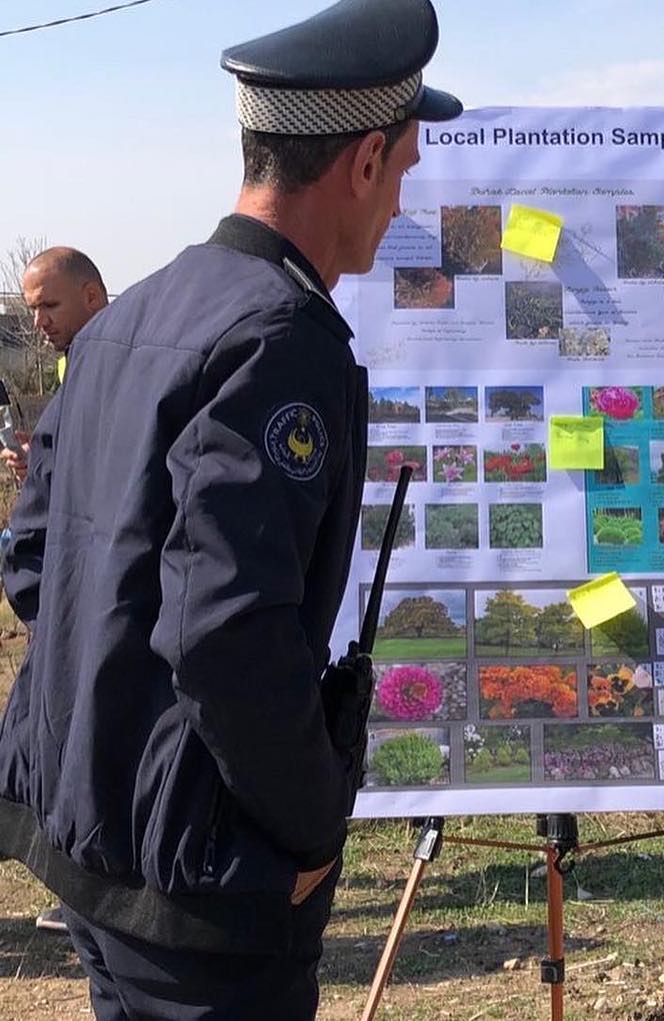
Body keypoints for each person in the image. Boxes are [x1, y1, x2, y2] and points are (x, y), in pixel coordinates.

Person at [0, 0, 461, 1017]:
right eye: (407, 175)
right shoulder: (281, 337)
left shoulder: (136, 316)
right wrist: (304, 831)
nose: (399, 210)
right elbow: (225, 633)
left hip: (90, 833)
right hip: (202, 878)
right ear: (366, 161)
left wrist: (116, 704)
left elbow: (34, 557)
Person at [2, 247, 109, 484]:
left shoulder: (127, 364)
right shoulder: (71, 363)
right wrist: (40, 456)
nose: (39, 321)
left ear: (92, 296)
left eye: (49, 305)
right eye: (34, 309)